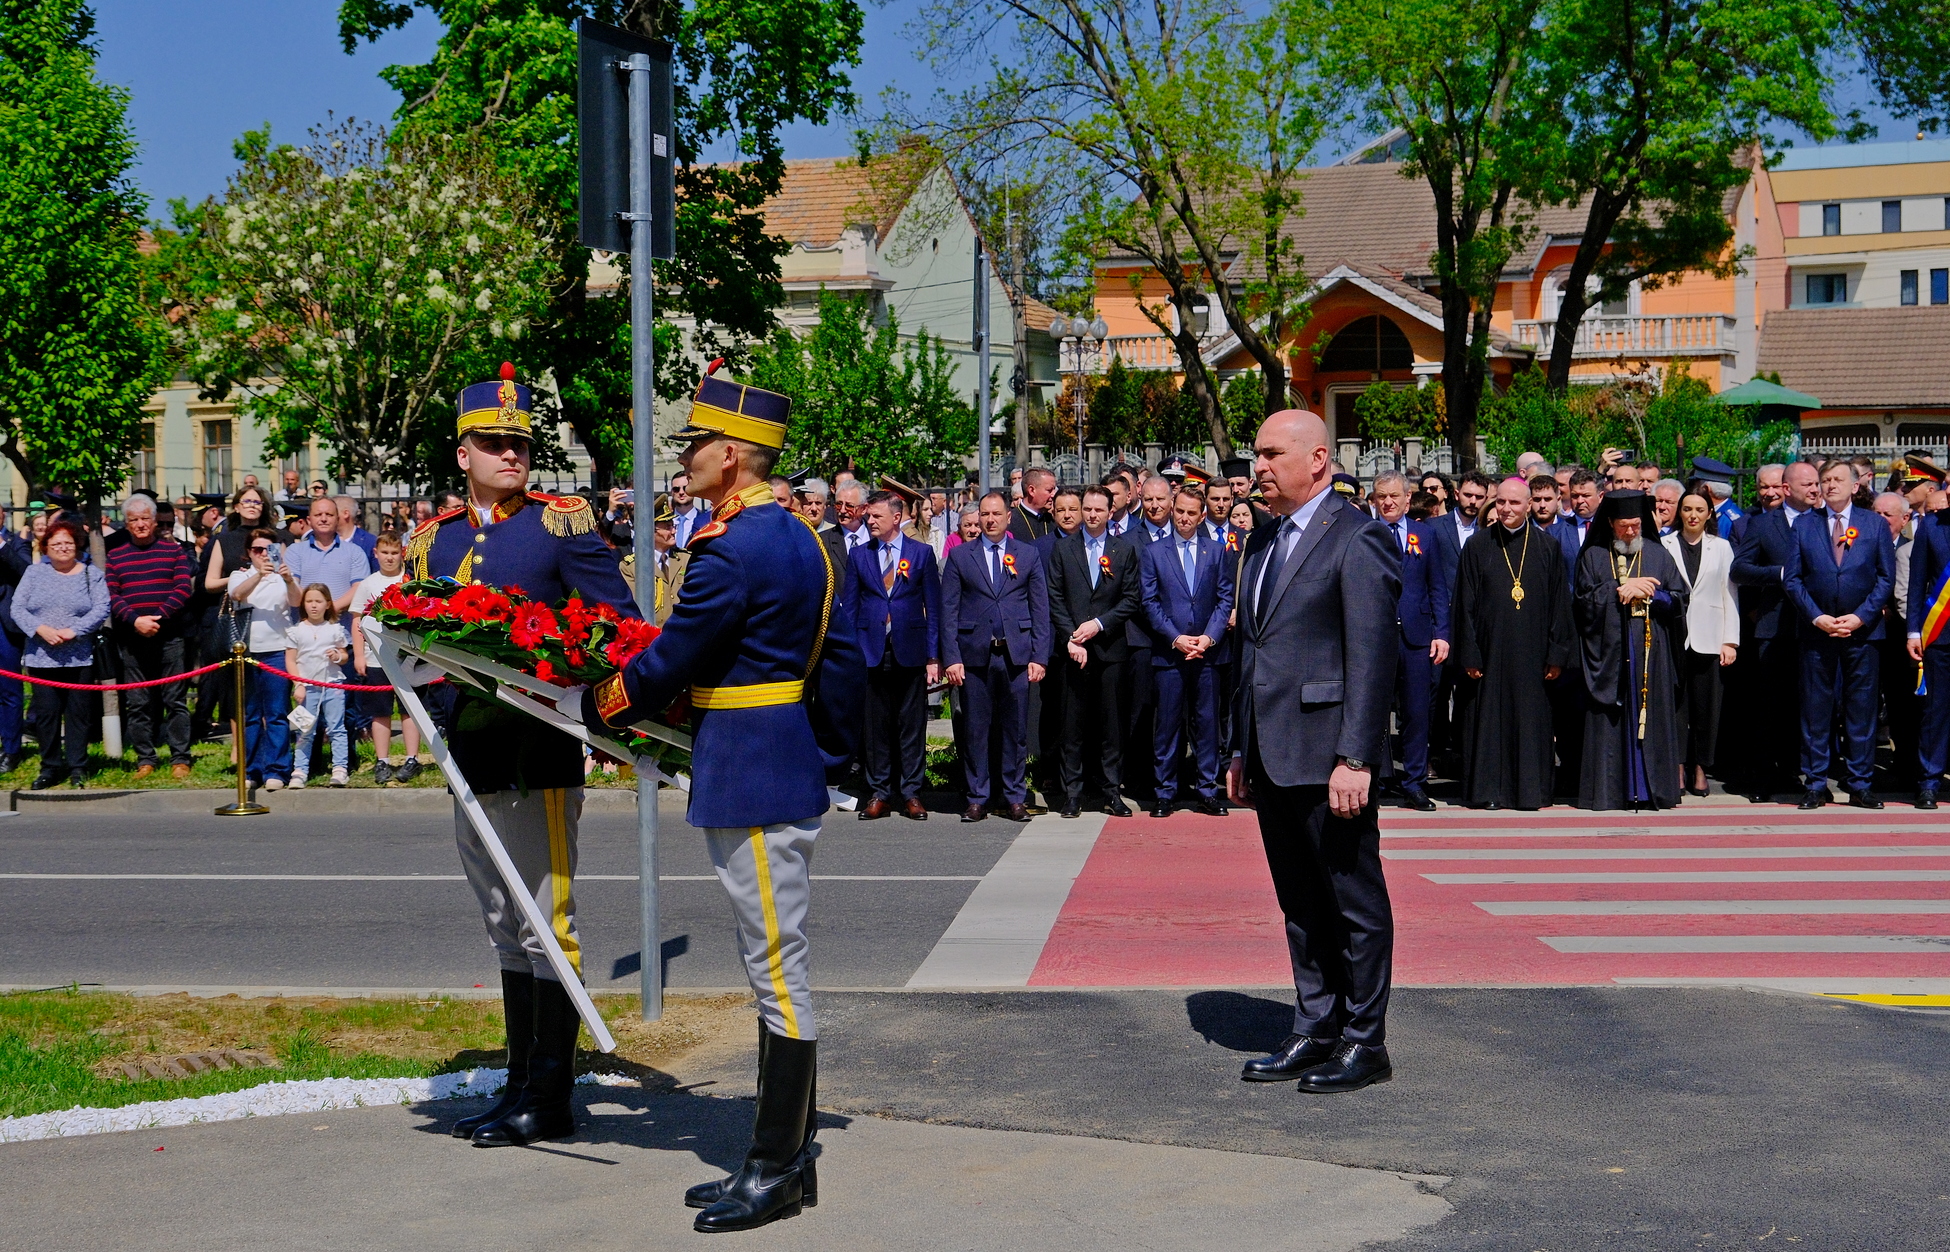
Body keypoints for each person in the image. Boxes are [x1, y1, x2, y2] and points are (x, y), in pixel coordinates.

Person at [582, 367, 859, 1233]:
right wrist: (825, 752)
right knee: (775, 959)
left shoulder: (731, 547)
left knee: (777, 968)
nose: (686, 458)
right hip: (779, 754)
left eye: (696, 444)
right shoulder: (804, 538)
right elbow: (841, 661)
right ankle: (787, 1157)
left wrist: (601, 704)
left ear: (733, 454)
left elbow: (674, 658)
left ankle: (776, 1167)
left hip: (750, 767)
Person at [403, 364, 638, 1152]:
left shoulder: (557, 526)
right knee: (506, 924)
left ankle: (550, 1094)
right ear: (462, 452)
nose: (512, 455)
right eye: (494, 443)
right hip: (470, 753)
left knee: (545, 923)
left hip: (540, 751)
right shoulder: (434, 541)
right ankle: (518, 1086)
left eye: (522, 445)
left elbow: (618, 626)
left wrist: (598, 713)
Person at [1226, 409, 1399, 1094]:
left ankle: (1365, 1040)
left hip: (1330, 757)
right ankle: (1315, 1026)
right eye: (1257, 454)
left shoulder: (1358, 537)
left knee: (1352, 901)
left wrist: (1356, 757)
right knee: (1300, 902)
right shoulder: (1262, 539)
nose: (1259, 467)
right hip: (1271, 752)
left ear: (1319, 460)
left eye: (1272, 454)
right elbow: (1254, 651)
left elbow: (1372, 658)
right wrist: (1240, 748)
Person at [1452, 478, 1575, 810]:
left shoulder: (1547, 547)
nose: (1506, 509)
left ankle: (1530, 792)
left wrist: (1557, 653)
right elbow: (1464, 603)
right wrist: (1470, 652)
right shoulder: (1477, 545)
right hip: (1489, 651)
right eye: (1501, 502)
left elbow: (1559, 604)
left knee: (1530, 720)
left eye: (1514, 503)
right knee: (1489, 720)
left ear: (1529, 505)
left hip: (1533, 652)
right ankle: (1490, 791)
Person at [1784, 460, 1895, 809]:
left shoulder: (1874, 525)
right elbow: (1793, 579)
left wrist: (1860, 617)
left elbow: (1885, 579)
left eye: (1838, 479)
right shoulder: (1804, 524)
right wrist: (1817, 617)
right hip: (1817, 633)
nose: (1830, 485)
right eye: (1825, 480)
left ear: (1855, 486)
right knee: (1816, 710)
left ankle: (1860, 783)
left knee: (1861, 710)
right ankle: (1816, 783)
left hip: (1863, 635)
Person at [941, 490, 1050, 822]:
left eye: (996, 514)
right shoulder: (960, 556)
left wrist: (1039, 656)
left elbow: (1040, 609)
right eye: (984, 515)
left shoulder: (1027, 554)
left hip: (1016, 656)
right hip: (975, 657)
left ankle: (1015, 796)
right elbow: (948, 611)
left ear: (1008, 517)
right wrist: (951, 658)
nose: (989, 520)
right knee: (975, 729)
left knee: (1015, 730)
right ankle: (977, 797)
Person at [1573, 492, 1686, 811]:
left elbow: (1679, 599)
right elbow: (1581, 603)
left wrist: (1650, 594)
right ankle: (1610, 792)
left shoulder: (1658, 554)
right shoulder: (1594, 556)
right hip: (1609, 653)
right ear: (1610, 523)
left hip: (1651, 651)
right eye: (1624, 526)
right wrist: (1618, 589)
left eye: (1636, 525)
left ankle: (1651, 791)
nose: (1631, 531)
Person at [1047, 484, 1142, 818]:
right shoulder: (1063, 549)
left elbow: (1131, 598)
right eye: (1086, 508)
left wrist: (1099, 625)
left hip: (1110, 650)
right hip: (1073, 651)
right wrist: (1071, 638)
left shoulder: (1123, 550)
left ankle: (1111, 791)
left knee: (1111, 726)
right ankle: (1072, 793)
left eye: (1098, 510)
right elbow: (1055, 596)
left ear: (1110, 512)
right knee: (1072, 725)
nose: (1091, 515)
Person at [1728, 460, 1820, 801]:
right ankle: (1764, 777)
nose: (1815, 490)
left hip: (1817, 626)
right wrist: (1780, 574)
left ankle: (1800, 774)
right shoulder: (1763, 524)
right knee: (1769, 707)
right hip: (1775, 627)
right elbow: (1740, 569)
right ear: (1787, 488)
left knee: (1809, 705)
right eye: (1808, 484)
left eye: (1817, 484)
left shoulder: (1825, 521)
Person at [847, 487, 940, 821]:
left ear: (896, 517)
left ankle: (912, 792)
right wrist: (851, 653)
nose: (870, 521)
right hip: (871, 650)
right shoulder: (859, 555)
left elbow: (934, 607)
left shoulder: (921, 554)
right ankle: (879, 792)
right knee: (875, 728)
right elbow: (850, 608)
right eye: (868, 515)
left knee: (911, 725)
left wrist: (933, 656)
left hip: (910, 650)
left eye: (876, 516)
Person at [1140, 484, 1233, 817]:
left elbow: (1225, 598)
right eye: (1179, 511)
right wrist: (1176, 638)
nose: (1184, 518)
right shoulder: (1154, 552)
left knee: (1207, 724)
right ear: (1172, 510)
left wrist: (1209, 638)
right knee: (1167, 725)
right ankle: (1165, 791)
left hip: (1207, 654)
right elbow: (1149, 602)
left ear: (1201, 515)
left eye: (1191, 513)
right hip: (1170, 653)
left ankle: (1207, 790)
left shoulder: (1216, 551)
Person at [1370, 472, 1449, 811]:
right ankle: (1375, 780)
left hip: (1417, 637)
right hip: (1376, 637)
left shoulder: (1425, 535)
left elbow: (1437, 586)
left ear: (1407, 499)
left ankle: (1414, 782)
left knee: (1416, 713)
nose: (1388, 502)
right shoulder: (1364, 533)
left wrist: (1441, 634)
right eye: (1381, 496)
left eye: (1394, 496)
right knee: (1372, 712)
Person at [12, 520, 108, 789]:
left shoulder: (91, 574)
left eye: (68, 543)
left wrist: (74, 631)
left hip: (80, 656)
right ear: (46, 547)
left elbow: (102, 608)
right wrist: (40, 629)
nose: (63, 548)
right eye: (56, 543)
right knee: (47, 715)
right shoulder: (34, 573)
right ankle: (50, 766)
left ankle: (78, 766)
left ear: (76, 545)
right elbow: (17, 609)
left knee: (78, 714)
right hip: (41, 656)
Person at [105, 494, 194, 780]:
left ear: (155, 522)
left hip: (169, 637)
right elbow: (111, 594)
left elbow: (183, 588)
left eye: (145, 518)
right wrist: (135, 620)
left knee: (175, 700)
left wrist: (157, 617)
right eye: (134, 519)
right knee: (138, 702)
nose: (141, 524)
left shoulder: (174, 552)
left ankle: (180, 758)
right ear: (126, 524)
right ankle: (145, 759)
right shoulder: (115, 556)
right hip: (132, 638)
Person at [1662, 492, 1739, 797]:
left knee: (1707, 708)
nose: (1693, 515)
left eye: (1699, 510)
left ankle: (1701, 767)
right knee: (1677, 706)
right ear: (1679, 512)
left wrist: (1730, 641)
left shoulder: (1721, 547)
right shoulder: (1665, 544)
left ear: (1709, 514)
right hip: (1675, 637)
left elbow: (1730, 593)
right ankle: (1678, 766)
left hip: (1711, 637)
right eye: (1687, 509)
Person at [226, 528, 302, 790]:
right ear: (249, 553)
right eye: (257, 550)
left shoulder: (283, 576)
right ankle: (252, 770)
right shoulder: (240, 574)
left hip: (278, 650)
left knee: (277, 713)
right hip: (246, 652)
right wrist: (259, 574)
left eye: (268, 549)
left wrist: (288, 580)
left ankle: (277, 770)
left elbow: (297, 602)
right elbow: (237, 594)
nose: (263, 555)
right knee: (250, 714)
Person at [349, 531, 422, 785]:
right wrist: (359, 654)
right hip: (376, 658)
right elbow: (357, 620)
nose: (389, 558)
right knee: (380, 712)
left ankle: (412, 758)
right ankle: (382, 760)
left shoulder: (409, 581)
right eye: (384, 553)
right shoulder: (368, 584)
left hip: (407, 656)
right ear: (376, 553)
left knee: (409, 709)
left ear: (402, 553)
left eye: (394, 553)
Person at [285, 583, 351, 788]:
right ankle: (300, 770)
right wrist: (298, 684)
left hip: (333, 685)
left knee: (336, 728)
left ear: (327, 604)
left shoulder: (335, 629)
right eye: (309, 601)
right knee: (304, 730)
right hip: (306, 687)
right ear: (303, 604)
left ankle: (340, 768)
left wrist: (337, 655)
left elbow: (344, 656)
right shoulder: (296, 631)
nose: (314, 606)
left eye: (318, 601)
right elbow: (291, 660)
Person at [1907, 501, 1950, 808]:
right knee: (1936, 711)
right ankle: (1929, 782)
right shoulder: (1931, 525)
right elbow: (1917, 581)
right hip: (1940, 634)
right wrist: (1913, 630)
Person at [284, 497, 371, 620]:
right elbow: (293, 586)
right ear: (309, 520)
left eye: (329, 515)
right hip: (303, 625)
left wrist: (331, 609)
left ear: (337, 519)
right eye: (318, 515)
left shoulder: (355, 552)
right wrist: (315, 609)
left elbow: (360, 587)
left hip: (343, 627)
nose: (323, 519)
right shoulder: (294, 551)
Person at [1008, 467, 1056, 542]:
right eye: (1049, 490)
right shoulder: (1009, 522)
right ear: (1032, 490)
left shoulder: (1053, 520)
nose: (1053, 494)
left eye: (1054, 490)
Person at [669, 470, 711, 548]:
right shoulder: (663, 524)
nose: (681, 492)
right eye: (676, 489)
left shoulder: (706, 522)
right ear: (671, 492)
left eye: (685, 488)